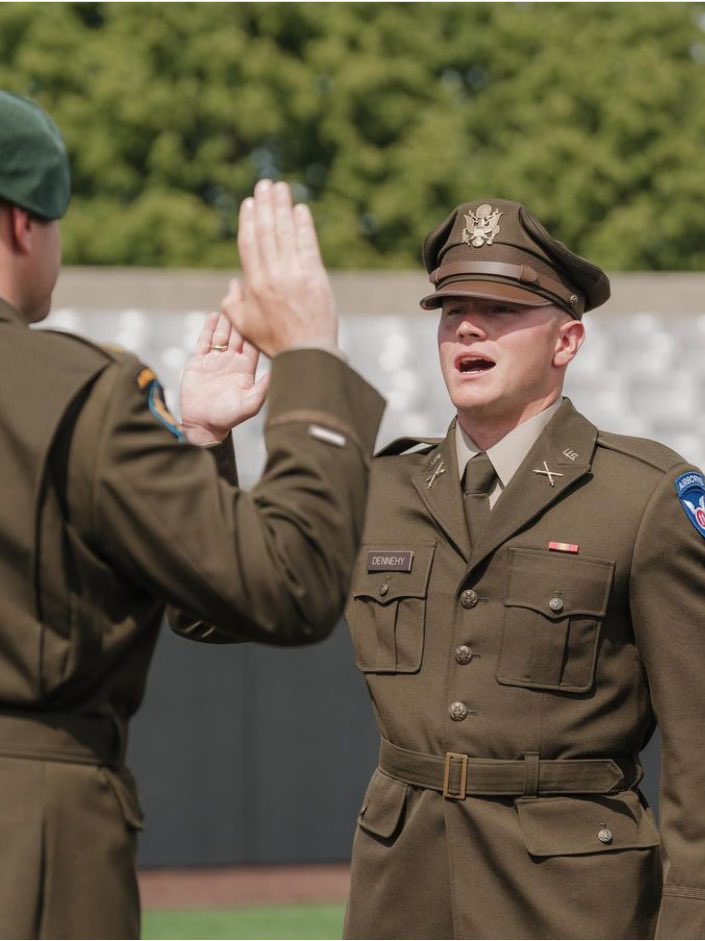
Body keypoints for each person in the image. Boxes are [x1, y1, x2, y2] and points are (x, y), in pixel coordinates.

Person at [0, 89, 384, 939]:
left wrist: (196, 435)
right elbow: (284, 584)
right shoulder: (72, 391)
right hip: (25, 838)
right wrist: (310, 351)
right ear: (24, 225)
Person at [342, 198, 705, 940]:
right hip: (399, 893)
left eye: (500, 309)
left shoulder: (644, 498)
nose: (467, 328)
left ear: (567, 339)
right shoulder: (376, 490)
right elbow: (216, 610)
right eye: (451, 310)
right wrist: (210, 438)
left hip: (572, 901)